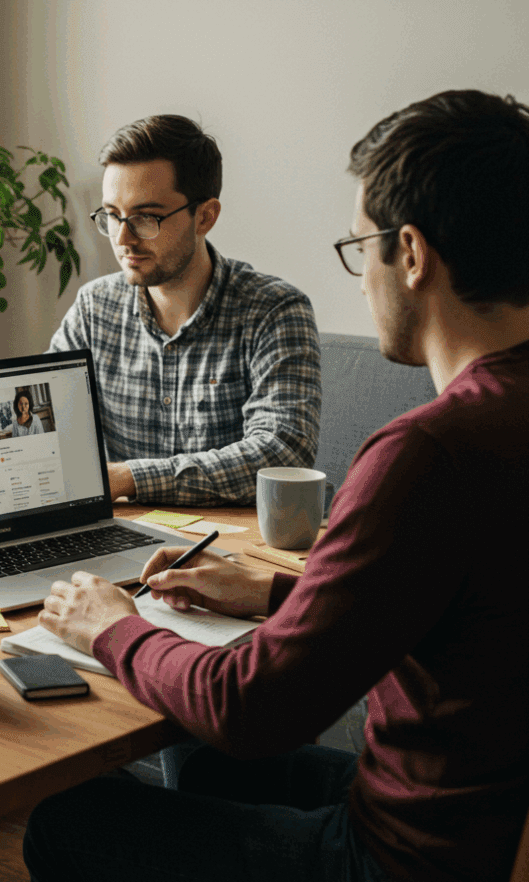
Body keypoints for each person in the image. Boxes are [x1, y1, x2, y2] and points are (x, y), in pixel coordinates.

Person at [27, 90, 529, 882]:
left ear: (412, 252)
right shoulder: (491, 429)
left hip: (406, 855)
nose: (361, 280)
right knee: (208, 771)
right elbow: (440, 605)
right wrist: (269, 597)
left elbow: (248, 708)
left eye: (359, 247)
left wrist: (110, 627)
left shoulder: (428, 454)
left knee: (69, 820)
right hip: (482, 811)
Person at [48, 114, 321, 505]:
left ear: (205, 216)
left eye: (146, 218)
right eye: (111, 215)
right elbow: (50, 425)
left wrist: (129, 478)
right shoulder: (95, 309)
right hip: (124, 535)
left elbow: (281, 454)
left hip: (225, 552)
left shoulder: (274, 311)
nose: (123, 239)